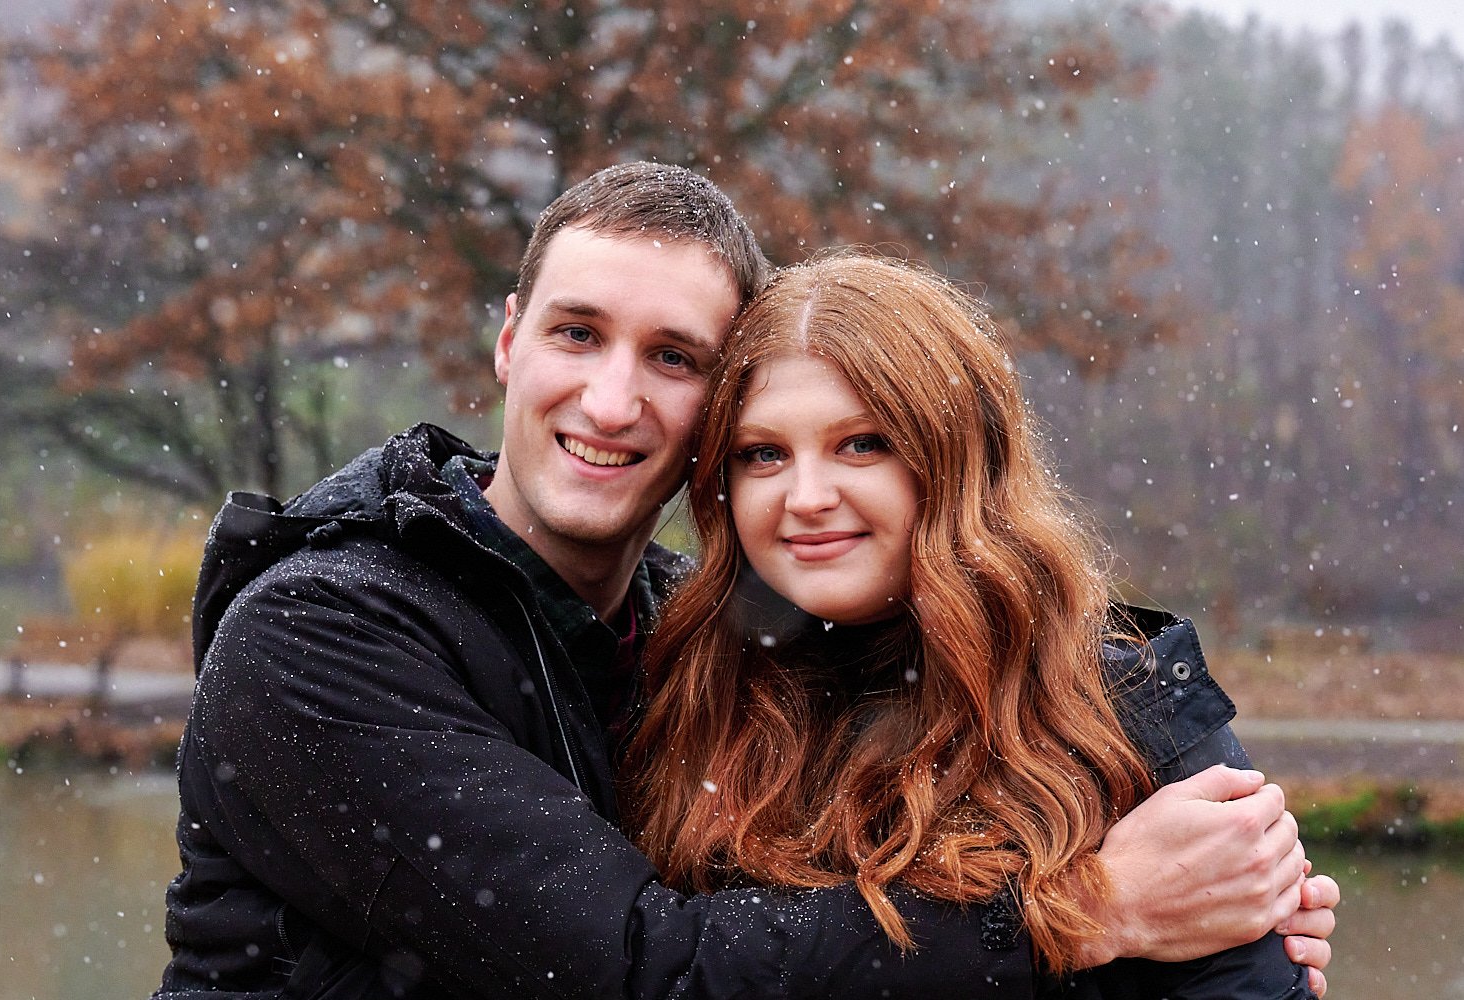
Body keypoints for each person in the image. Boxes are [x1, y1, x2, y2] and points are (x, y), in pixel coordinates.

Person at [156, 162, 1335, 1000]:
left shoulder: (708, 637)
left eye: (672, 358)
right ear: (508, 340)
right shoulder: (320, 636)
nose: (613, 401)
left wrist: (1219, 905)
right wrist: (1088, 914)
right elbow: (643, 967)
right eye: (577, 333)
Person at [625, 250, 1337, 997]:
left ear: (956, 459)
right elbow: (650, 967)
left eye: (861, 444)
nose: (806, 495)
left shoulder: (1116, 707)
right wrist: (1080, 915)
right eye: (763, 453)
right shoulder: (683, 686)